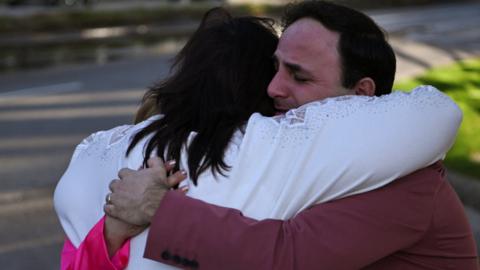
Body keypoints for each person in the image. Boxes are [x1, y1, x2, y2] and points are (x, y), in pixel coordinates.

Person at [104, 1, 478, 270]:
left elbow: (287, 256)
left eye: (299, 77)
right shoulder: (320, 154)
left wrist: (159, 208)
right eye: (275, 68)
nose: (272, 88)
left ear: (362, 94)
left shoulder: (404, 175)